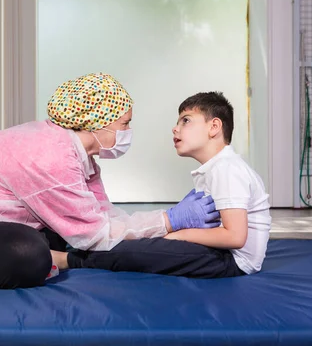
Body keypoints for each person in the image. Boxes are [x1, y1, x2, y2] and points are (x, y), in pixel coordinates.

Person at [0, 73, 220, 291]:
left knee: (61, 234)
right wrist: (170, 219)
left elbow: (103, 217)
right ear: (94, 121)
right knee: (30, 255)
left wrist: (164, 221)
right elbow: (93, 234)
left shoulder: (79, 156)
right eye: (124, 123)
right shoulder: (49, 155)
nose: (128, 132)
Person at [55, 91, 271, 278]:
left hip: (233, 261)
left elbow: (235, 237)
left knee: (142, 252)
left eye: (185, 120)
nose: (175, 129)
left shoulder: (227, 169)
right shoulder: (217, 168)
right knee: (150, 241)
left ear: (214, 126)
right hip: (220, 252)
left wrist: (178, 236)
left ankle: (70, 260)